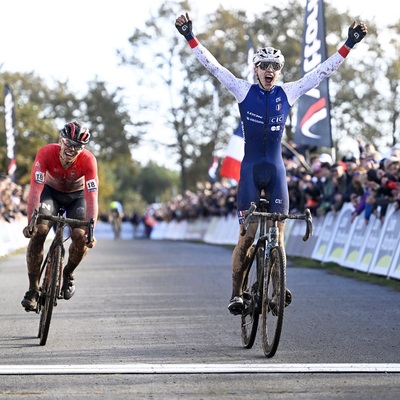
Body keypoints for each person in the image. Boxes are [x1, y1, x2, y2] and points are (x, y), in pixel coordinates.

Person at [175, 13, 367, 315]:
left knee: (278, 236)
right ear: (256, 69)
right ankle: (236, 293)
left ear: (279, 71)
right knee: (247, 237)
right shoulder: (242, 90)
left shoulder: (288, 92)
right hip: (250, 171)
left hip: (276, 171)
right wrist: (190, 37)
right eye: (264, 65)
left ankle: (278, 290)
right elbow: (213, 66)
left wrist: (348, 44)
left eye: (275, 66)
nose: (269, 70)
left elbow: (321, 72)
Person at [21, 121, 98, 311]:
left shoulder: (89, 161)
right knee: (39, 231)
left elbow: (92, 197)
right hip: (50, 193)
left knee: (80, 236)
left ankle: (68, 273)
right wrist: (30, 220)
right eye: (68, 144)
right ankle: (33, 289)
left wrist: (91, 229)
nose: (72, 150)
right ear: (60, 140)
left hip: (77, 197)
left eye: (78, 147)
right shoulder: (46, 153)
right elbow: (35, 190)